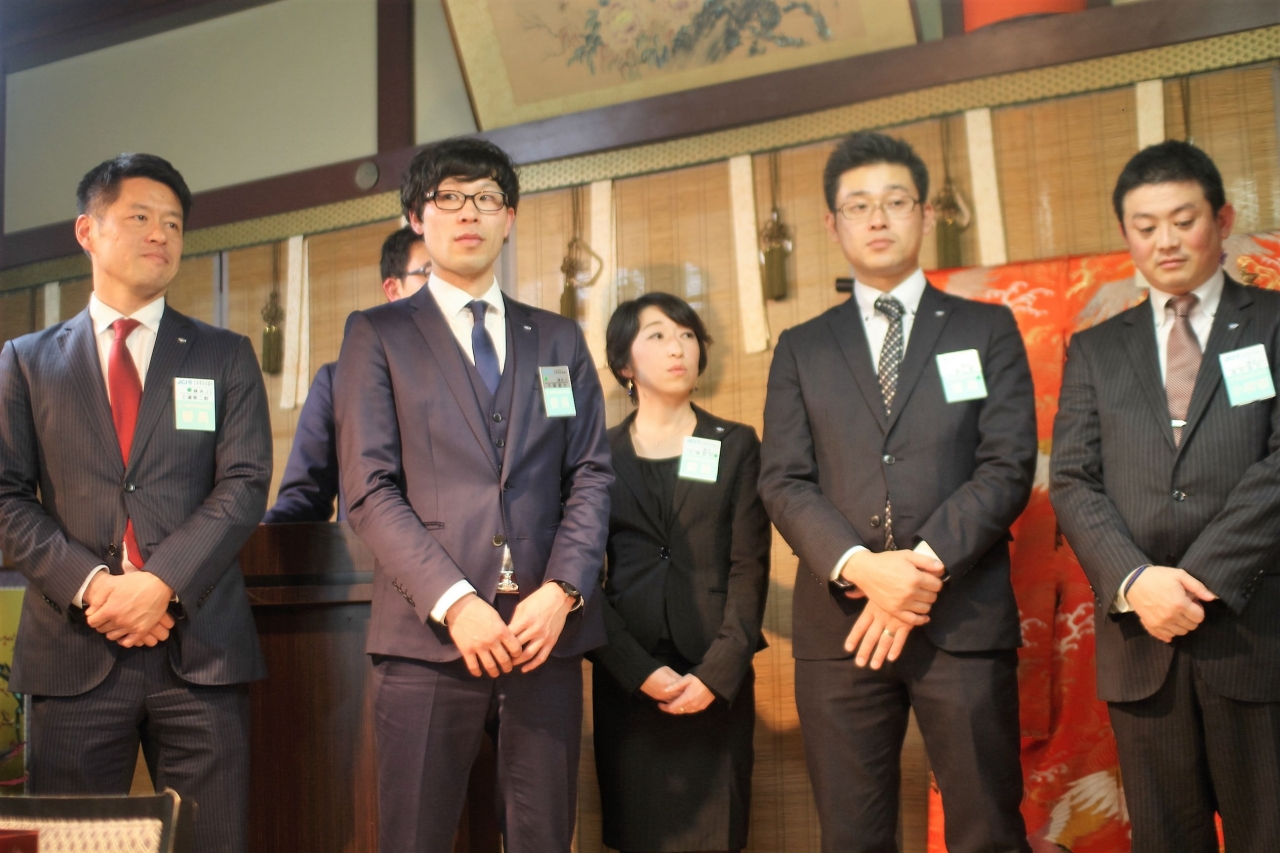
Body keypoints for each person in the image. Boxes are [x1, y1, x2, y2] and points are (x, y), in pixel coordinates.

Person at [758, 131, 1037, 853]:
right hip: (841, 627)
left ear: (925, 213)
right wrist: (861, 566)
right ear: (833, 224)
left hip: (962, 619)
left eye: (895, 201)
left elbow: (1008, 463)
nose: (877, 218)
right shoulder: (802, 347)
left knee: (987, 831)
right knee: (852, 838)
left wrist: (919, 568)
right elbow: (783, 479)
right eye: (858, 205)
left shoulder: (986, 327)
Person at [333, 136, 613, 853]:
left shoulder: (558, 339)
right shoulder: (378, 334)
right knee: (416, 838)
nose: (469, 213)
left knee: (544, 837)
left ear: (509, 218)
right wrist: (456, 603)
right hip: (427, 639)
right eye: (450, 198)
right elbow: (368, 489)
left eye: (487, 198)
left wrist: (563, 592)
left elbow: (590, 474)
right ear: (416, 217)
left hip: (542, 638)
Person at [0, 153, 272, 852]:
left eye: (174, 223)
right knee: (71, 844)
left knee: (212, 840)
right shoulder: (27, 361)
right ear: (87, 230)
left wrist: (161, 583)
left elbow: (245, 482)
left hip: (200, 648)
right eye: (141, 217)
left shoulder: (223, 354)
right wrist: (93, 587)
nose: (160, 234)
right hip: (73, 649)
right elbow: (6, 496)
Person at [1050, 140, 1280, 853]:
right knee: (1164, 838)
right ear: (1127, 234)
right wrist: (1136, 580)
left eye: (1184, 220)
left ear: (1222, 219)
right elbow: (1073, 478)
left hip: (1255, 627)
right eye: (1146, 226)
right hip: (1141, 638)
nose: (1166, 241)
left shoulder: (1273, 323)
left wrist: (1199, 577)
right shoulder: (1095, 349)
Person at [589, 293, 770, 853]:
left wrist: (718, 674)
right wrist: (634, 669)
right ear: (624, 363)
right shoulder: (597, 457)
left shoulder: (735, 444)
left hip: (715, 673)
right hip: (629, 676)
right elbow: (580, 577)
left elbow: (749, 567)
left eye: (688, 336)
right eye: (659, 336)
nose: (679, 348)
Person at [263, 225, 431, 523]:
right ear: (394, 289)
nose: (444, 286)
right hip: (367, 550)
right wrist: (255, 540)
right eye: (429, 271)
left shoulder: (483, 371)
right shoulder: (338, 380)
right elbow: (304, 498)